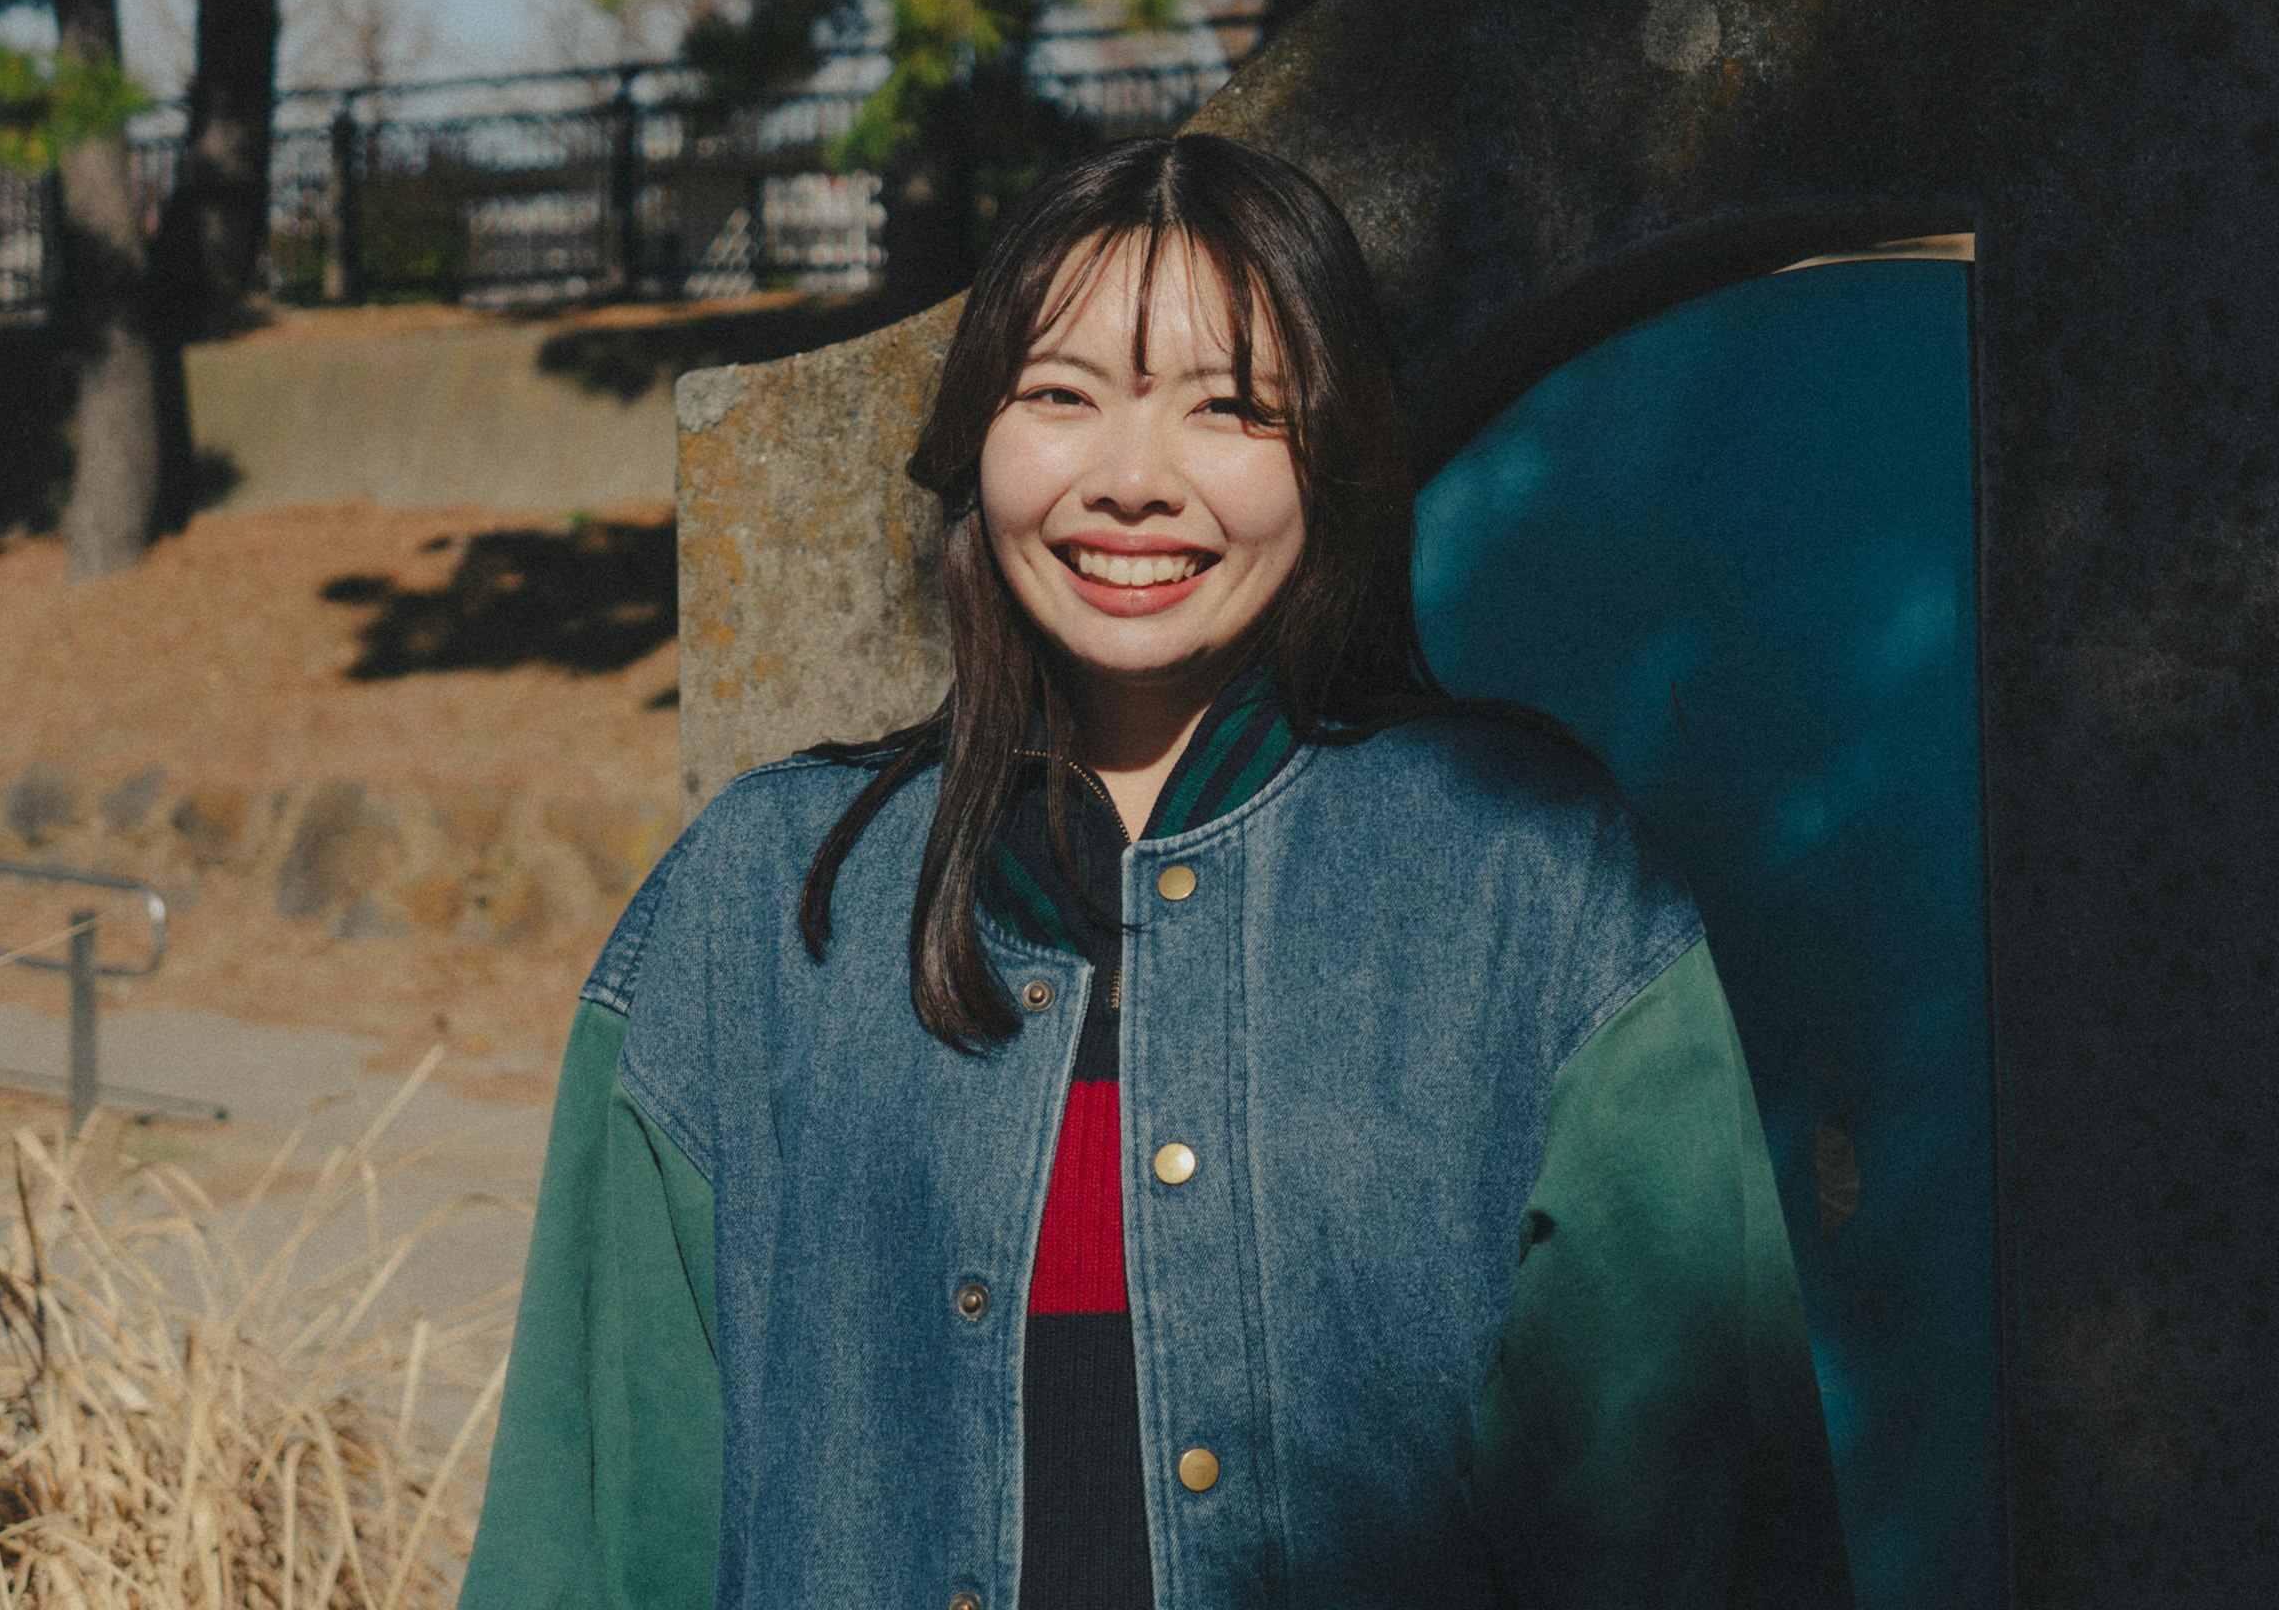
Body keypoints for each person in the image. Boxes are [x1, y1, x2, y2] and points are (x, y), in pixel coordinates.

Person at [459, 133, 1853, 1610]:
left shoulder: (1529, 884)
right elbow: (595, 1528)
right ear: (976, 440)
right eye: (1060, 397)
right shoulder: (759, 904)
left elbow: (1689, 1515)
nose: (1134, 482)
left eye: (1230, 409)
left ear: (1335, 456)